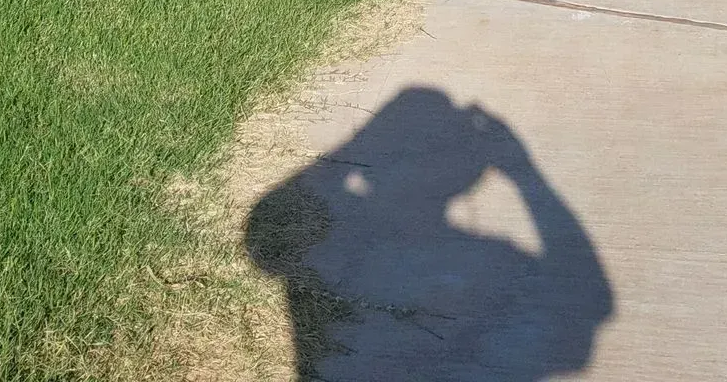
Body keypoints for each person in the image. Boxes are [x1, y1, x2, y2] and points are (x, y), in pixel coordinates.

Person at [246, 87, 612, 380]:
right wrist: (524, 171)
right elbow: (588, 303)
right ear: (473, 178)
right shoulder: (500, 262)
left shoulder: (352, 249)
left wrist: (361, 144)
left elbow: (266, 234)